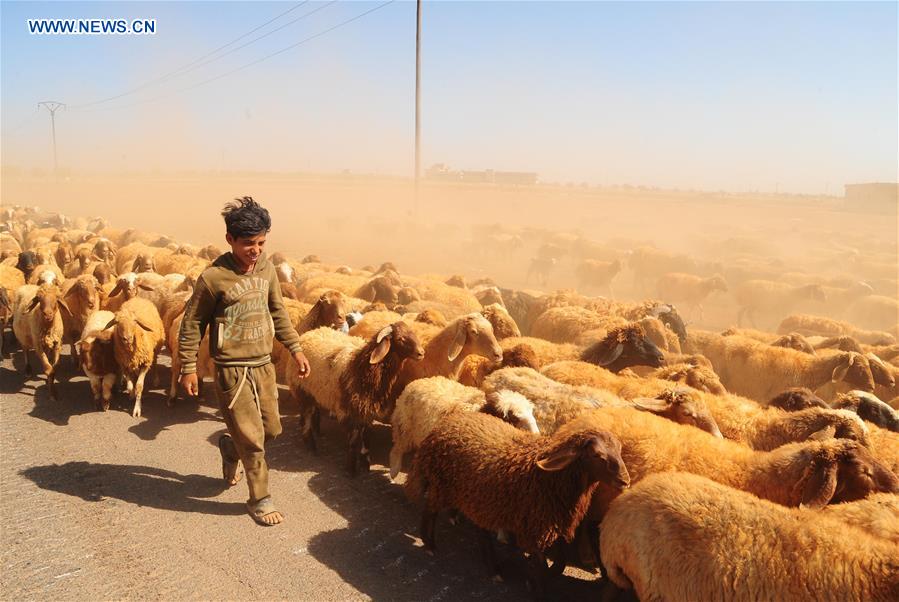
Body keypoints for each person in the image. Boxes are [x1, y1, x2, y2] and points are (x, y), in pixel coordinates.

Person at [178, 196, 311, 526]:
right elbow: (191, 324)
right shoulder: (213, 279)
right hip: (231, 370)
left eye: (261, 242)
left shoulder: (266, 269)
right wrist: (188, 367)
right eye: (248, 243)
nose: (256, 250)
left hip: (264, 365)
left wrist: (295, 349)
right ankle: (260, 499)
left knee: (272, 430)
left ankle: (229, 448)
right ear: (230, 240)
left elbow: (277, 311)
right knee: (253, 439)